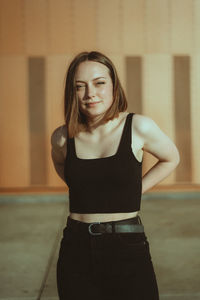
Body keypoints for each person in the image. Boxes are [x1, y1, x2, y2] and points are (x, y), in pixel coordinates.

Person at [51, 51, 180, 300]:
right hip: (75, 248)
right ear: (72, 92)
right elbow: (61, 165)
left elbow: (171, 158)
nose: (90, 94)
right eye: (80, 86)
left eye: (99, 83)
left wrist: (134, 190)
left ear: (113, 85)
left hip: (126, 245)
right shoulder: (62, 137)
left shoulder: (138, 126)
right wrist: (88, 188)